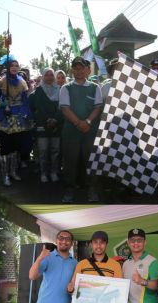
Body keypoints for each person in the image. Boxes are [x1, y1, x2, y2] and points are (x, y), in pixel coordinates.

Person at [59, 57, 103, 202]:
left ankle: (92, 189)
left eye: (81, 68)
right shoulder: (66, 88)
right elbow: (65, 109)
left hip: (90, 130)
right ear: (72, 70)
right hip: (71, 131)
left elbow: (98, 107)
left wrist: (88, 122)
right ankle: (69, 189)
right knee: (70, 161)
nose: (78, 71)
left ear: (87, 70)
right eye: (75, 68)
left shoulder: (95, 87)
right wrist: (79, 123)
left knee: (91, 160)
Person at [0, 55, 32, 187]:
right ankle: (5, 176)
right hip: (4, 119)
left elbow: (26, 102)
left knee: (16, 148)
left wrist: (24, 113)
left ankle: (14, 172)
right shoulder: (1, 82)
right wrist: (3, 106)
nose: (14, 68)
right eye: (12, 66)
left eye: (16, 66)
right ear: (8, 67)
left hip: (19, 119)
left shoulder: (23, 82)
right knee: (5, 148)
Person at [29, 68, 62, 183]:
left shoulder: (59, 89)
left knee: (55, 150)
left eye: (51, 75)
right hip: (42, 124)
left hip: (56, 124)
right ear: (43, 76)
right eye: (46, 75)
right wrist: (48, 119)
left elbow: (61, 107)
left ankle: (53, 172)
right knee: (43, 151)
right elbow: (39, 107)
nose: (49, 77)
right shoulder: (38, 90)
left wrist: (55, 119)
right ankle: (44, 173)